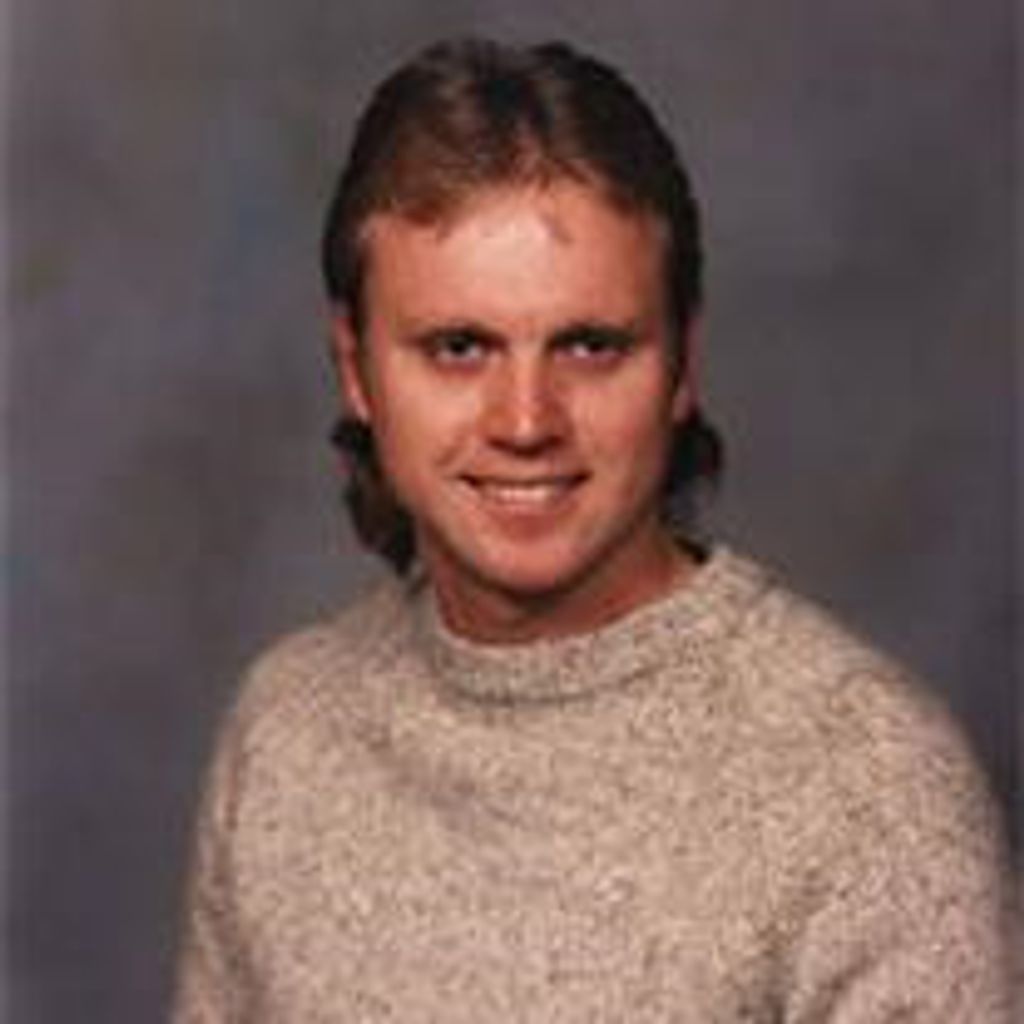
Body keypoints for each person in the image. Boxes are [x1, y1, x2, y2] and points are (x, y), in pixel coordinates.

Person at [173, 37, 1016, 1022]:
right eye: (459, 347)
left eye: (589, 345)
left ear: (681, 365)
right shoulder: (284, 732)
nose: (526, 421)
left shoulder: (869, 787)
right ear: (356, 370)